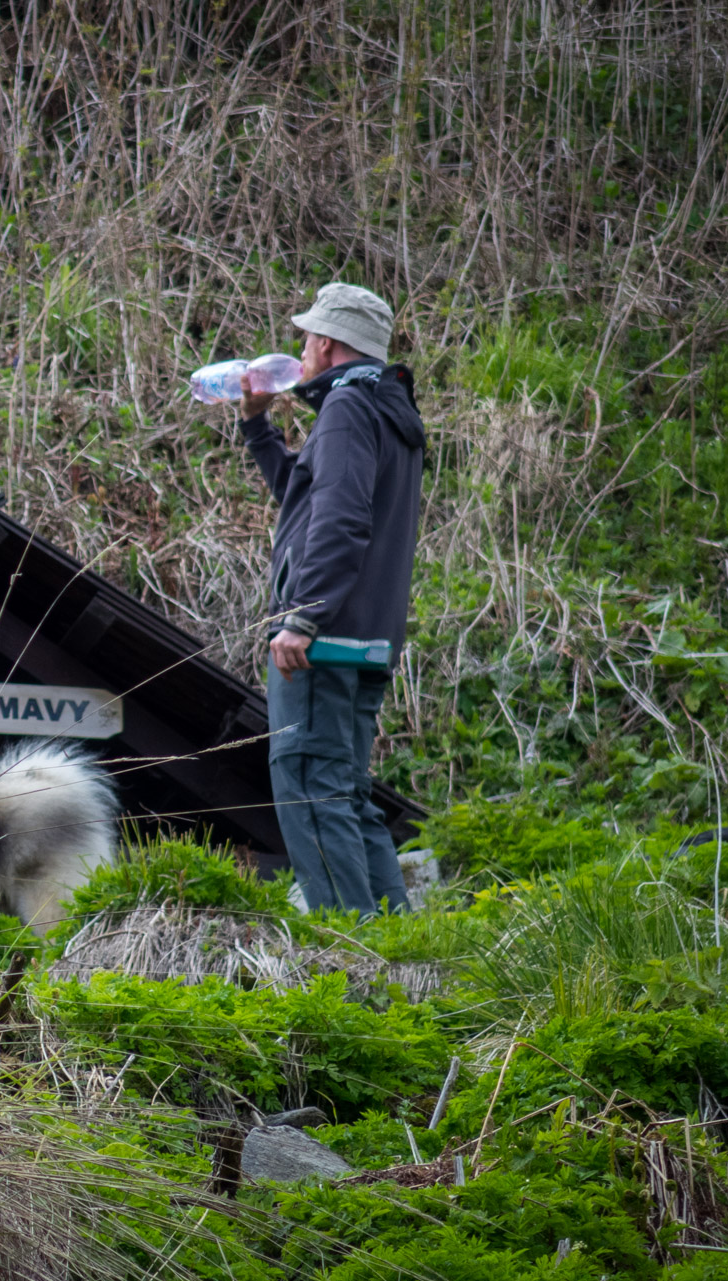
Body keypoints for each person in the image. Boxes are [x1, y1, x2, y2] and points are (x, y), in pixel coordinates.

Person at [237, 282, 425, 914]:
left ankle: (352, 951)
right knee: (345, 792)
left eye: (306, 337)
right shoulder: (386, 406)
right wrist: (257, 428)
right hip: (365, 638)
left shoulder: (346, 408)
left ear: (324, 342)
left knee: (309, 793)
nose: (301, 349)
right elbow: (310, 495)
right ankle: (397, 946)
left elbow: (341, 517)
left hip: (323, 640)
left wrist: (302, 617)